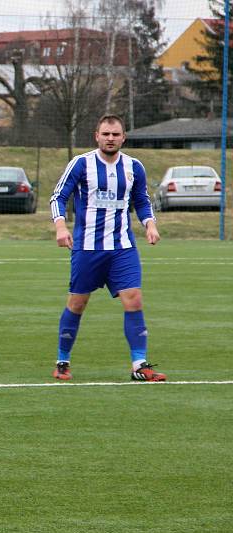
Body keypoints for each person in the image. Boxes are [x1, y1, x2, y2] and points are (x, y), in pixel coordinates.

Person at [49, 114, 166, 382]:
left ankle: (139, 365)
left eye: (115, 134)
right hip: (87, 248)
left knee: (134, 299)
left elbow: (142, 200)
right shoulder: (81, 164)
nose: (110, 138)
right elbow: (58, 197)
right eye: (106, 134)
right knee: (77, 303)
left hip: (122, 248)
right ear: (97, 136)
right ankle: (62, 361)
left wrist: (150, 224)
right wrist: (60, 227)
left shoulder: (134, 167)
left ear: (123, 137)